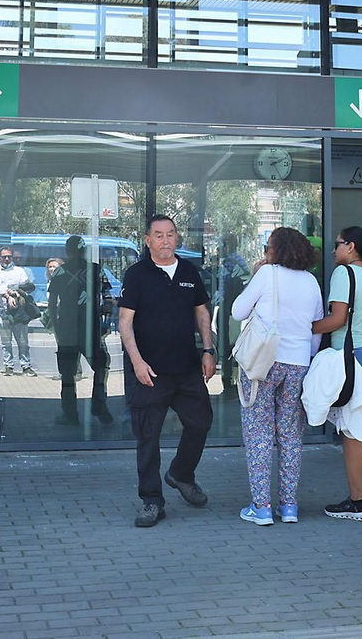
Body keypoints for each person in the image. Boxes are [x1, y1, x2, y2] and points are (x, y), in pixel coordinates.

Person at [119, 214, 215, 527]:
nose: (165, 240)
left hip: (187, 367)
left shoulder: (189, 271)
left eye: (170, 234)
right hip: (150, 371)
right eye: (158, 235)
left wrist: (208, 350)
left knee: (200, 423)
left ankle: (181, 473)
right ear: (148, 241)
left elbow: (202, 313)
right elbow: (125, 323)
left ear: (177, 238)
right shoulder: (136, 275)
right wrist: (137, 362)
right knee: (148, 436)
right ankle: (151, 501)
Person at [233, 227, 323, 526]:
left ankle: (261, 507)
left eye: (266, 247)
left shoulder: (267, 274)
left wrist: (257, 275)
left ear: (275, 250)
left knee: (259, 434)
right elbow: (314, 330)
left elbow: (237, 311)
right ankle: (289, 506)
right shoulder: (311, 281)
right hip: (298, 364)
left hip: (264, 363)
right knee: (290, 436)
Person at [312, 225, 362, 522]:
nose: (334, 250)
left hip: (352, 356)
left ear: (351, 247)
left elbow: (338, 319)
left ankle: (357, 502)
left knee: (352, 431)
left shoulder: (344, 274)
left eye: (338, 244)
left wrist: (308, 327)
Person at [47, 236, 114, 427]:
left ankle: (70, 414)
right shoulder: (96, 270)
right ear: (84, 251)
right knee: (101, 365)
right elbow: (108, 298)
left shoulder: (60, 272)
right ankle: (99, 406)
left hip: (68, 329)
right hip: (90, 328)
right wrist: (105, 323)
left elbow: (52, 304)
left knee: (67, 374)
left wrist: (56, 327)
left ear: (67, 251)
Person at [0, 247, 36, 376]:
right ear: (0, 258)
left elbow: (26, 286)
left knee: (22, 341)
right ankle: (8, 366)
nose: (7, 259)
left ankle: (26, 366)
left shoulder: (19, 271)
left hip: (18, 311)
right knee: (6, 341)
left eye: (9, 256)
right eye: (4, 257)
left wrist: (13, 292)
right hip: (2, 310)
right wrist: (8, 295)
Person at [216, 232, 252, 388]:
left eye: (222, 244)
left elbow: (224, 288)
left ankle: (229, 378)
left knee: (229, 343)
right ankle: (229, 378)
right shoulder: (238, 262)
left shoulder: (232, 262)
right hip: (231, 307)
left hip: (230, 308)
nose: (219, 248)